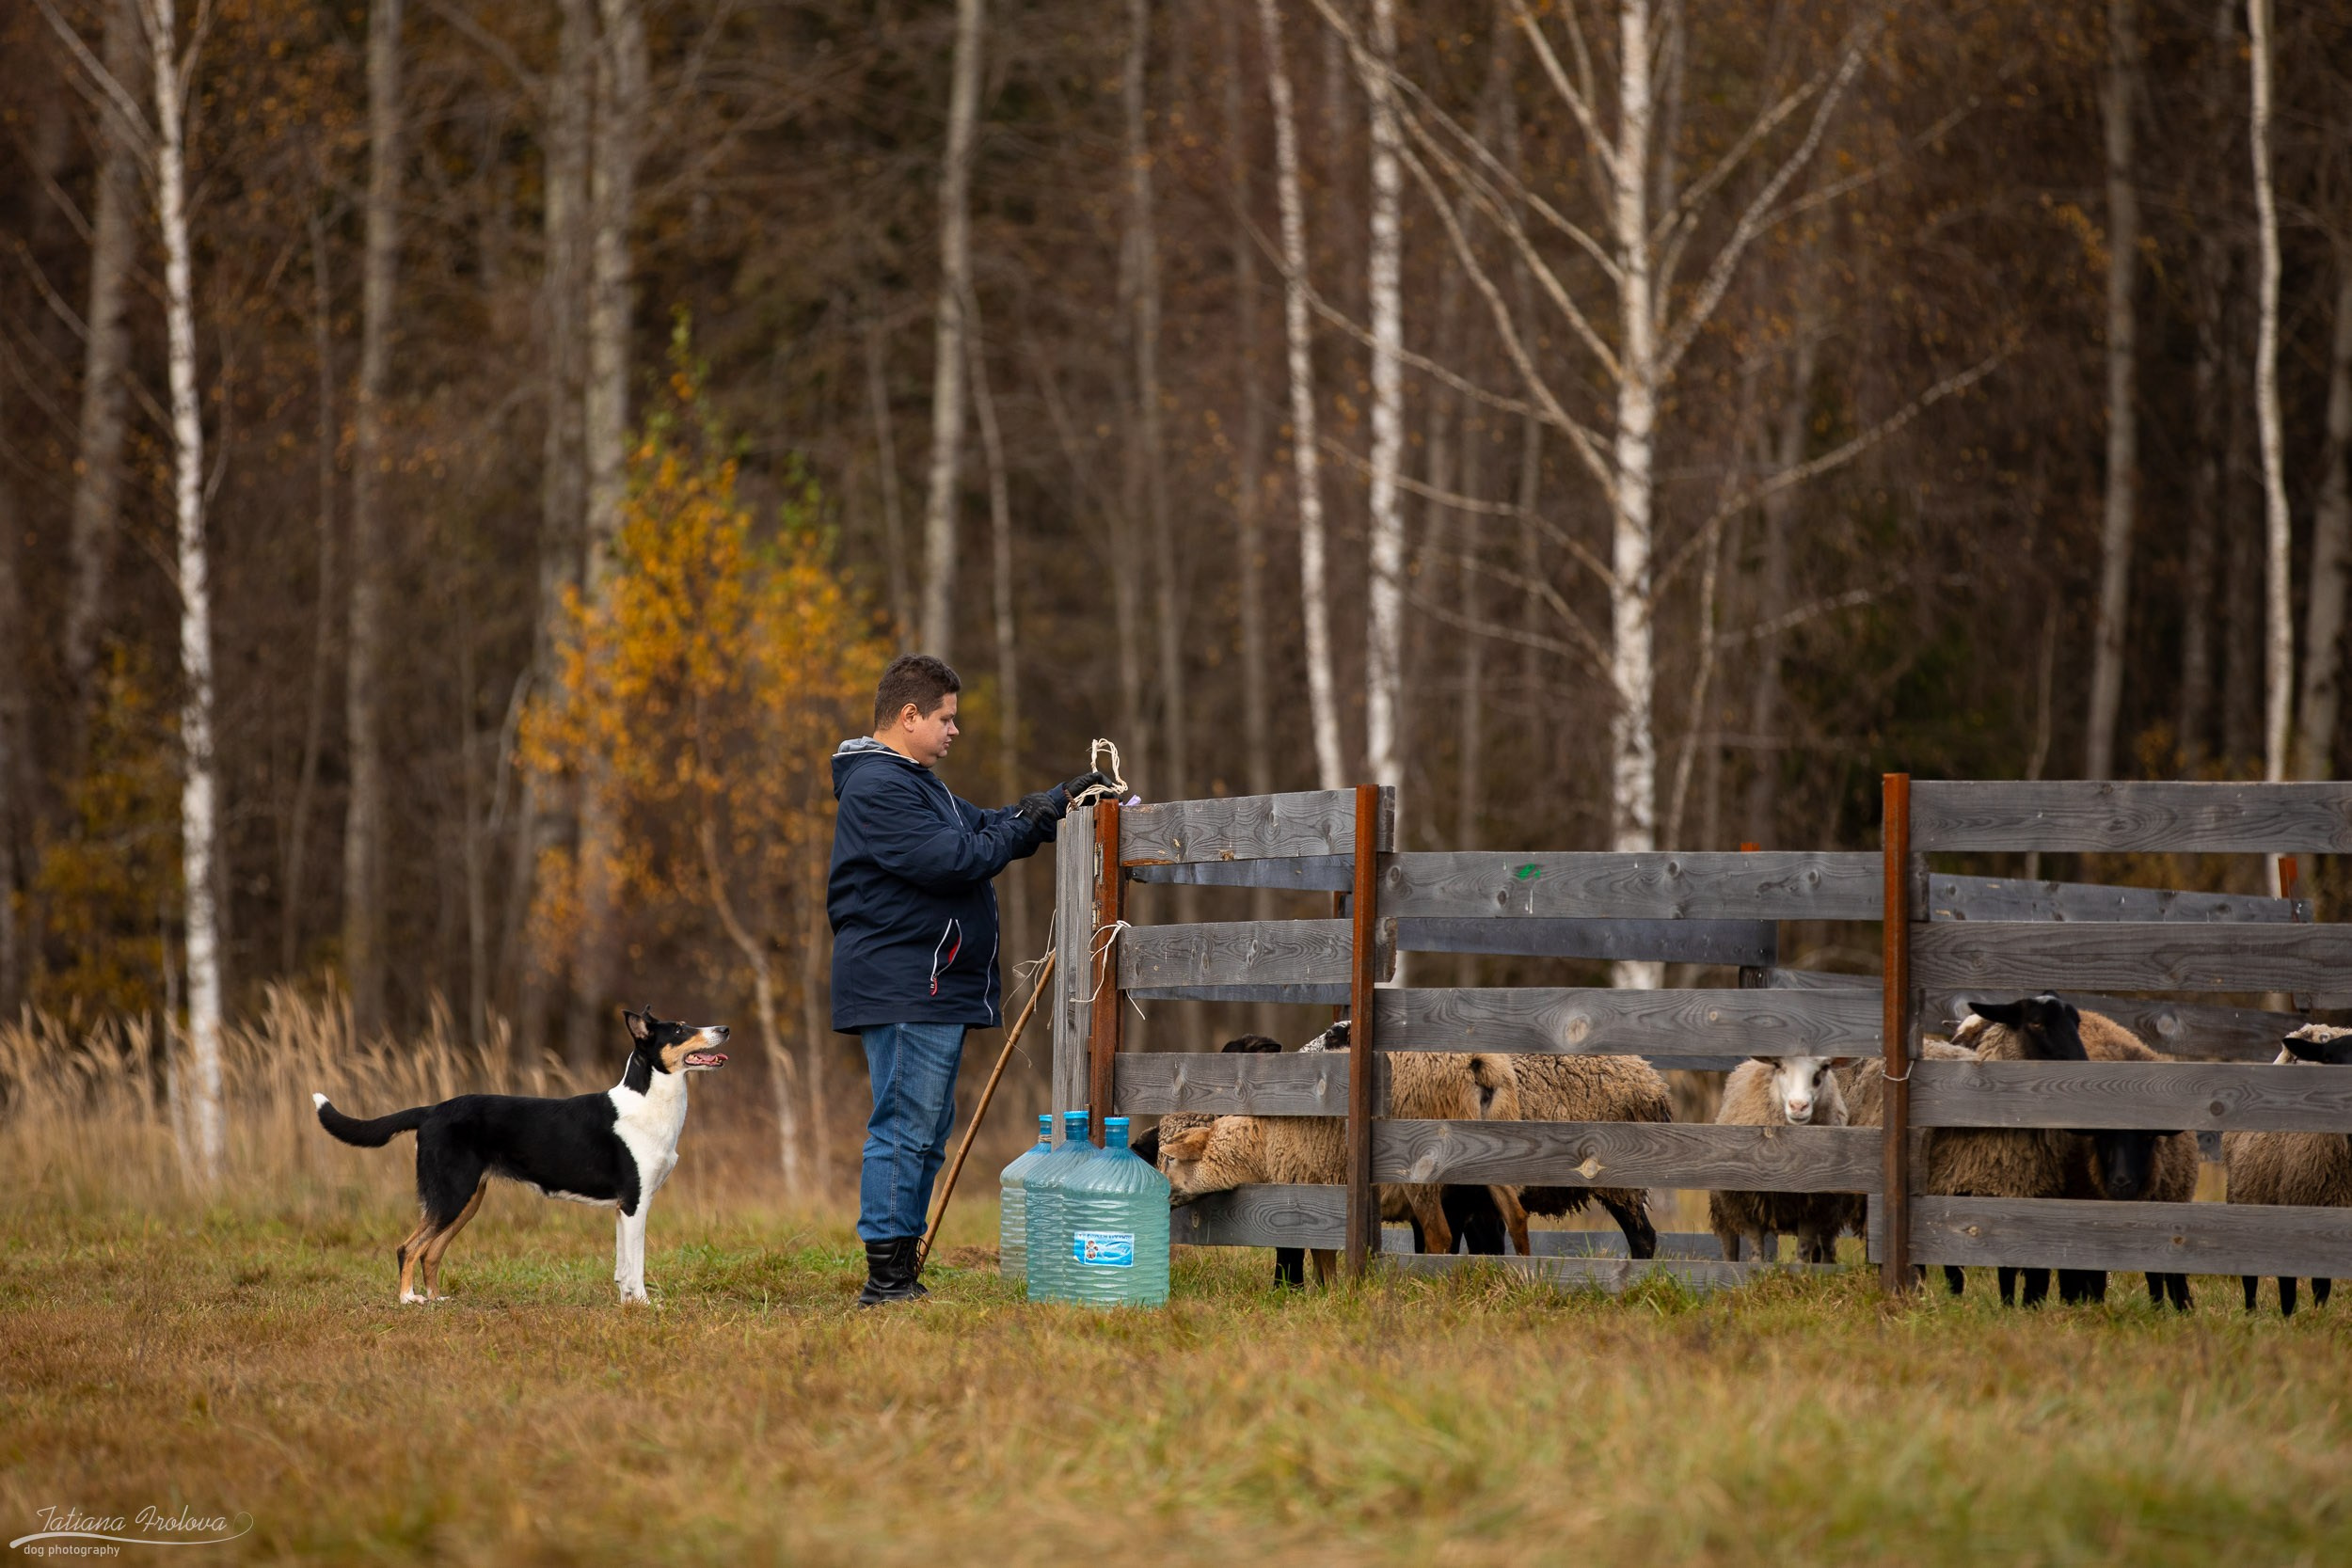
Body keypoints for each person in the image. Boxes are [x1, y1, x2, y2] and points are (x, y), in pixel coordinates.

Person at [828, 653, 1108, 1307]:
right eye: (946, 718)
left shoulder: (915, 780)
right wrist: (1025, 827)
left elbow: (983, 824)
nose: (955, 731)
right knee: (905, 1127)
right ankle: (887, 1280)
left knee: (925, 1128)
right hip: (906, 982)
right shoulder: (879, 786)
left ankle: (900, 1266)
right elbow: (958, 856)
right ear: (908, 716)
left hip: (927, 981)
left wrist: (1054, 802)